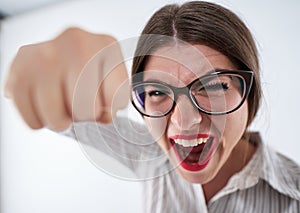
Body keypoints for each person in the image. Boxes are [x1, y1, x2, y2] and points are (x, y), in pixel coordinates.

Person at [4, 1, 300, 212]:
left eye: (212, 86)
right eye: (157, 91)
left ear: (249, 91)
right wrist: (44, 71)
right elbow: (65, 107)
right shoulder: (150, 152)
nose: (185, 123)